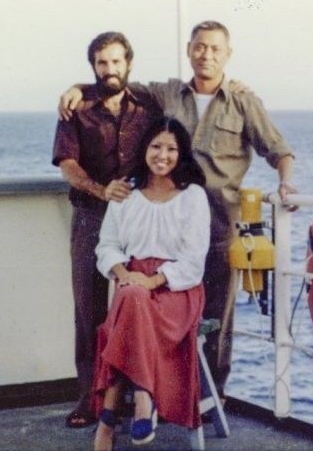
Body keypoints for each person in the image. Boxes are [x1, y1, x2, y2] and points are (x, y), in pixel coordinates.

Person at [59, 20, 297, 400]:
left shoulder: (243, 102)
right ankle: (144, 396)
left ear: (228, 54)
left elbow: (279, 151)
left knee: (216, 318)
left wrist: (285, 183)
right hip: (171, 226)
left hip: (220, 226)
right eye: (200, 46)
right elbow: (115, 82)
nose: (206, 55)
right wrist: (76, 88)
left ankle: (210, 396)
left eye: (215, 49)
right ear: (189, 50)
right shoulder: (167, 93)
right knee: (153, 310)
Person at [52, 31, 156, 428]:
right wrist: (101, 190)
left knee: (139, 303)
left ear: (129, 63)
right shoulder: (76, 109)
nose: (109, 69)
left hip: (139, 219)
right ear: (93, 67)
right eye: (101, 63)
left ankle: (135, 395)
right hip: (92, 217)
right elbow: (68, 164)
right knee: (89, 309)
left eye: (115, 61)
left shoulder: (148, 104)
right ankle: (89, 400)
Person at [92, 117, 210, 450]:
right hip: (131, 283)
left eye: (171, 149)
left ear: (181, 154)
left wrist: (152, 280)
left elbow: (193, 261)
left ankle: (108, 421)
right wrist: (123, 272)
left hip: (176, 290)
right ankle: (144, 399)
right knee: (133, 298)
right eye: (156, 146)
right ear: (145, 148)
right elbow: (106, 245)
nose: (162, 155)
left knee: (130, 305)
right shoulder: (126, 193)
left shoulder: (192, 196)